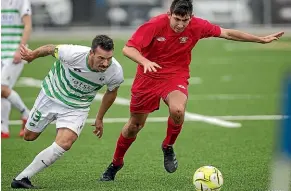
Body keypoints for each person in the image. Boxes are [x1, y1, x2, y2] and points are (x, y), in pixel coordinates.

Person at [99, 0, 284, 181]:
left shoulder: (198, 25)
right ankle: (116, 163)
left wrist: (260, 39)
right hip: (147, 77)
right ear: (169, 14)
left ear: (191, 17)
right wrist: (145, 61)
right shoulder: (154, 24)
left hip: (175, 76)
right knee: (134, 126)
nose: (180, 24)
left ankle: (168, 146)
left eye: (184, 20)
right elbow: (128, 49)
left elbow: (227, 33)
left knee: (177, 110)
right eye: (176, 19)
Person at [11, 35, 124, 189]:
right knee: (29, 136)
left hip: (77, 107)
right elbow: (50, 49)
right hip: (50, 96)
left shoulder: (115, 71)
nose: (105, 63)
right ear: (91, 53)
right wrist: (32, 55)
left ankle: (22, 178)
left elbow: (111, 93)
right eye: (101, 58)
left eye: (109, 58)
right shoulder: (73, 53)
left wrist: (99, 118)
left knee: (65, 142)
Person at [1, 0, 32, 138]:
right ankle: (4, 128)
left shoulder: (21, 1)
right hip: (1, 52)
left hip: (13, 53)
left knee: (2, 88)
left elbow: (28, 25)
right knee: (3, 92)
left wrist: (20, 49)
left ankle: (27, 113)